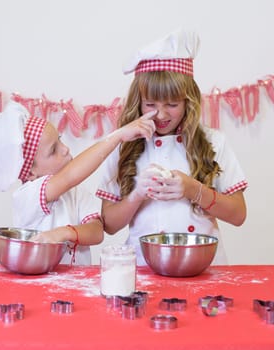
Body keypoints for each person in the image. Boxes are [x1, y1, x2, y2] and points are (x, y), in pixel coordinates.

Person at [96, 29, 248, 265]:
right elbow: (109, 225)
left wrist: (193, 190)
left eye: (173, 104)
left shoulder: (214, 142)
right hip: (142, 268)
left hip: (204, 267)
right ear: (139, 102)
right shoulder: (122, 144)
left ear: (189, 101)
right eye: (150, 104)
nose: (161, 114)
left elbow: (238, 215)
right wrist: (138, 194)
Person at [0, 101, 156, 265]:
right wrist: (118, 136)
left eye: (59, 140)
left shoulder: (76, 192)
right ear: (30, 172)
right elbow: (70, 175)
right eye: (53, 150)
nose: (65, 149)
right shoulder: (28, 196)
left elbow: (97, 232)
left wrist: (65, 233)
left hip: (76, 285)